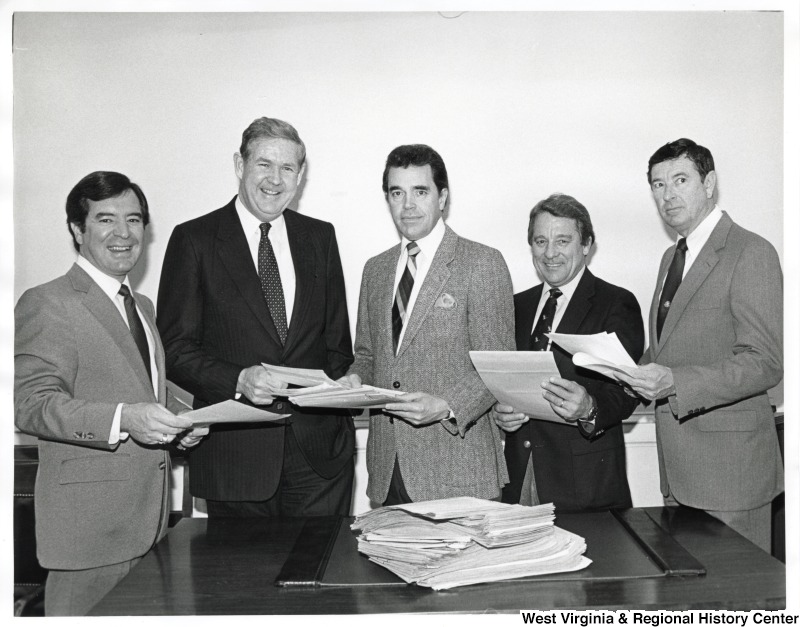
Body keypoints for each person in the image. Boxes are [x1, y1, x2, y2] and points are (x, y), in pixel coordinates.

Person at [14, 171, 205, 616]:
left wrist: (183, 421)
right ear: (77, 230)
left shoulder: (142, 305)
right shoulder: (48, 302)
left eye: (134, 220)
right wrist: (126, 419)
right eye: (105, 220)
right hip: (88, 535)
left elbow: (141, 388)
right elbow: (30, 404)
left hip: (150, 525)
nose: (123, 233)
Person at [157, 117, 355, 518]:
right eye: (264, 164)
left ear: (300, 176)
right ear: (239, 165)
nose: (275, 179)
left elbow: (337, 345)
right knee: (242, 581)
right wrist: (238, 379)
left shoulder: (321, 238)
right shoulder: (194, 240)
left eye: (288, 168)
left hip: (320, 460)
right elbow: (174, 349)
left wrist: (345, 383)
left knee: (324, 576)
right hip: (236, 459)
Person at [616, 138, 783, 552]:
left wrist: (673, 382)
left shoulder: (751, 251)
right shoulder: (672, 257)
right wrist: (623, 369)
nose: (668, 194)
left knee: (735, 608)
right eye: (657, 184)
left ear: (709, 183)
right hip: (678, 472)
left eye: (680, 179)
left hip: (731, 477)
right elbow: (670, 348)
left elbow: (764, 362)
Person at [339, 144, 515, 505]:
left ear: (443, 197)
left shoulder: (482, 263)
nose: (408, 205)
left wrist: (447, 405)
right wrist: (353, 381)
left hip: (458, 468)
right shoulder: (376, 270)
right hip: (387, 472)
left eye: (420, 191)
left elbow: (498, 365)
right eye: (396, 192)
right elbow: (367, 355)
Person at [493, 193, 644, 511]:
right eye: (540, 241)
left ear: (587, 244)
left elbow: (627, 392)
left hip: (585, 488)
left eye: (562, 241)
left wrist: (589, 407)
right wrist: (499, 412)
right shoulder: (514, 306)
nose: (550, 253)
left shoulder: (616, 303)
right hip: (517, 483)